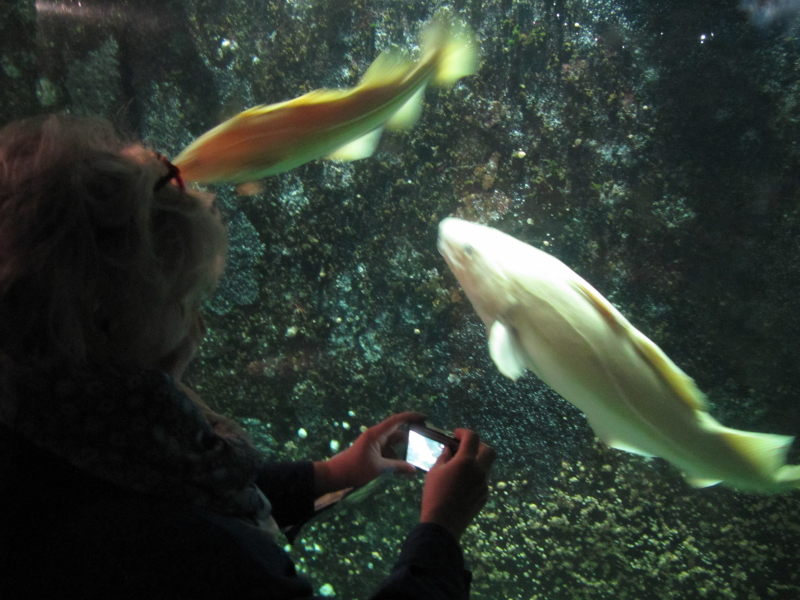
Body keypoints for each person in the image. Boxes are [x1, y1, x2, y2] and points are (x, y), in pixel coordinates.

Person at [0, 114, 496, 599]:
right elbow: (192, 526)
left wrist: (333, 474)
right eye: (188, 300)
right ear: (105, 313)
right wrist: (440, 533)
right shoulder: (192, 557)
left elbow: (173, 482)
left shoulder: (52, 419)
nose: (199, 326)